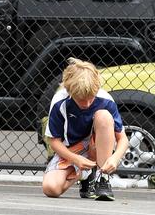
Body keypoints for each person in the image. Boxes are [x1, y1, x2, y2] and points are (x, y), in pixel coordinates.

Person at [42, 58, 129, 201]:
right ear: (69, 91)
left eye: (91, 98)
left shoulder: (105, 100)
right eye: (81, 99)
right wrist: (76, 159)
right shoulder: (60, 101)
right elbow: (54, 141)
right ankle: (86, 175)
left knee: (104, 116)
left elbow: (123, 139)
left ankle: (102, 180)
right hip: (72, 150)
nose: (87, 103)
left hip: (98, 146)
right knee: (51, 188)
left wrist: (114, 158)